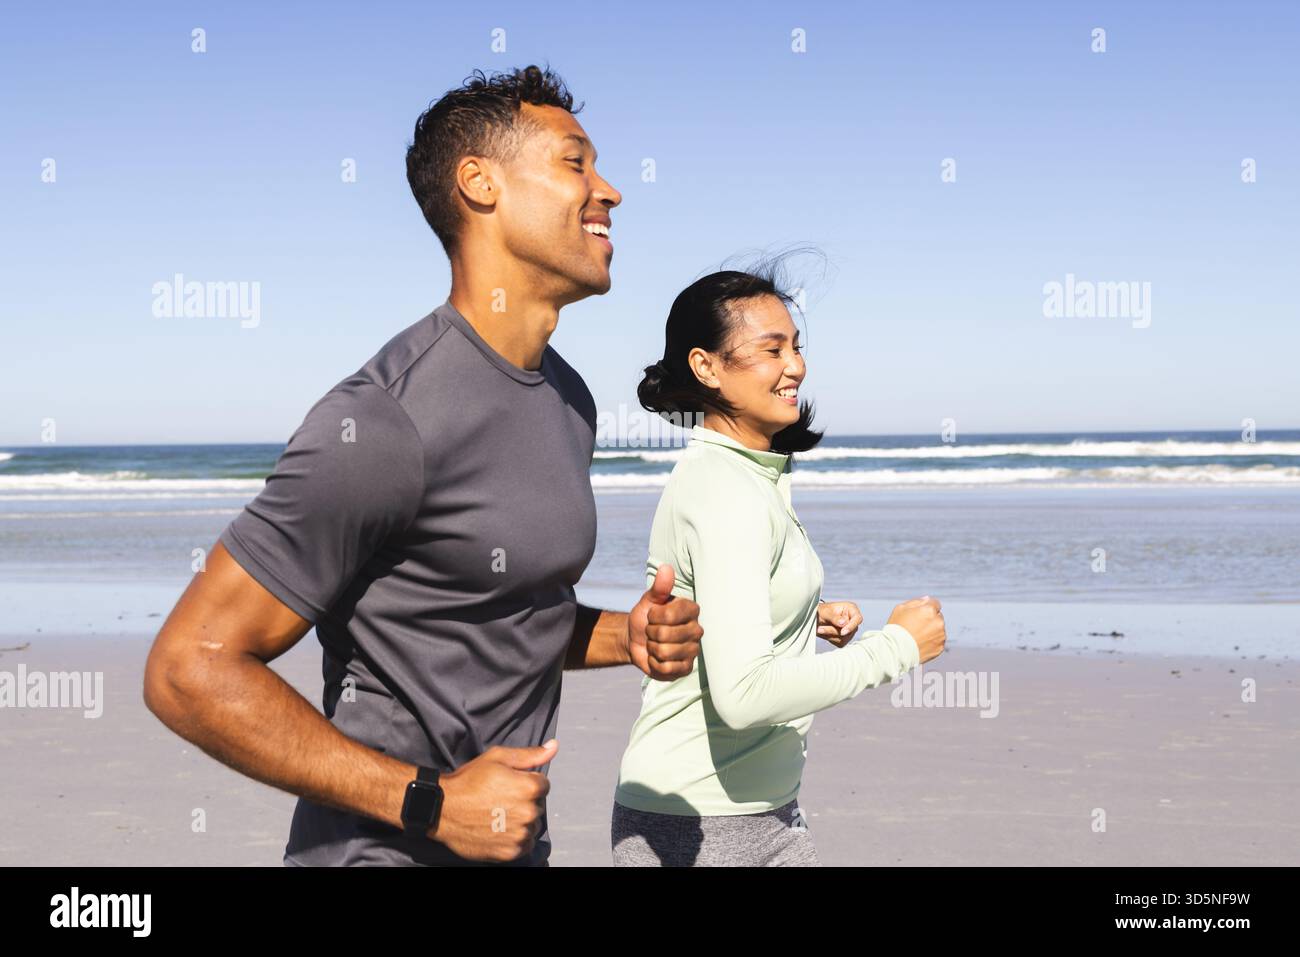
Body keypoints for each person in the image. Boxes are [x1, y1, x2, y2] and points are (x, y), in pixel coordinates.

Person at [143, 64, 704, 867]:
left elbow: (496, 609)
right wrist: (428, 802)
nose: (609, 189)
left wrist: (628, 635)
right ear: (480, 184)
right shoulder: (383, 418)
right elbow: (187, 668)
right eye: (575, 162)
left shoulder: (569, 398)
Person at [610, 265, 948, 866]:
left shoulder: (750, 473)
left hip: (763, 812)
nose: (796, 365)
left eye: (796, 347)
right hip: (699, 828)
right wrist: (898, 647)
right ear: (706, 366)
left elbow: (725, 603)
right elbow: (745, 696)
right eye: (772, 350)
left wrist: (797, 616)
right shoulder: (726, 488)